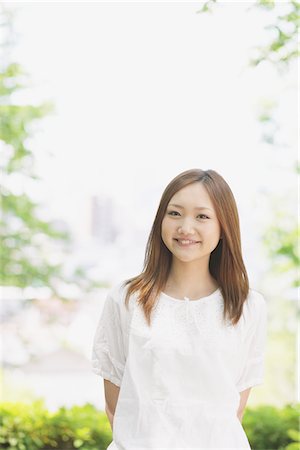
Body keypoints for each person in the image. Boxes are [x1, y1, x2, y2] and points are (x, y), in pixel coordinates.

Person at [91, 168, 268, 450]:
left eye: (202, 216)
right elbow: (116, 406)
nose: (186, 227)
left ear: (224, 228)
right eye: (174, 213)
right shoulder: (126, 299)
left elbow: (234, 408)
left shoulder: (246, 306)